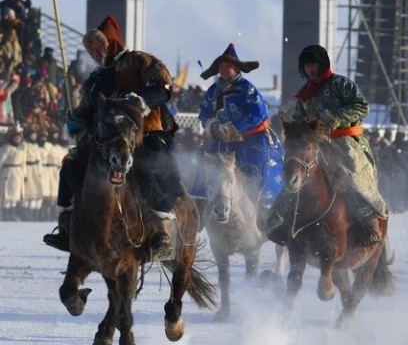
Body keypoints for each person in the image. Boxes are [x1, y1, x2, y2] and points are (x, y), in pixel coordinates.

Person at [42, 14, 185, 260]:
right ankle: (68, 227)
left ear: (112, 42)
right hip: (105, 141)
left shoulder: (138, 59)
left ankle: (160, 232)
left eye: (99, 46)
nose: (95, 53)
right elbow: (87, 110)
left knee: (153, 165)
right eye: (91, 49)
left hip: (142, 132)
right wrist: (75, 120)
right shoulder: (94, 80)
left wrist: (140, 100)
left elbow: (163, 86)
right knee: (71, 166)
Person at [266, 44, 387, 247]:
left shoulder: (340, 84)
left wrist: (334, 117)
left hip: (343, 140)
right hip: (315, 143)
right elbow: (299, 118)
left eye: (313, 65)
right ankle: (281, 218)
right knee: (295, 171)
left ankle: (369, 220)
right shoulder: (305, 93)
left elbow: (361, 106)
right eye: (306, 66)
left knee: (352, 172)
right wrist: (298, 129)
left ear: (322, 65)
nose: (310, 69)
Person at [191, 44, 284, 225]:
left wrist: (234, 128)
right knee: (206, 163)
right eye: (221, 66)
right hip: (221, 138)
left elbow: (258, 114)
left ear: (236, 68)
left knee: (261, 163)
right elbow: (204, 113)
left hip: (250, 137)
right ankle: (200, 207)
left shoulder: (247, 88)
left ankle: (266, 207)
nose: (224, 69)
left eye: (228, 66)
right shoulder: (212, 91)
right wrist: (212, 125)